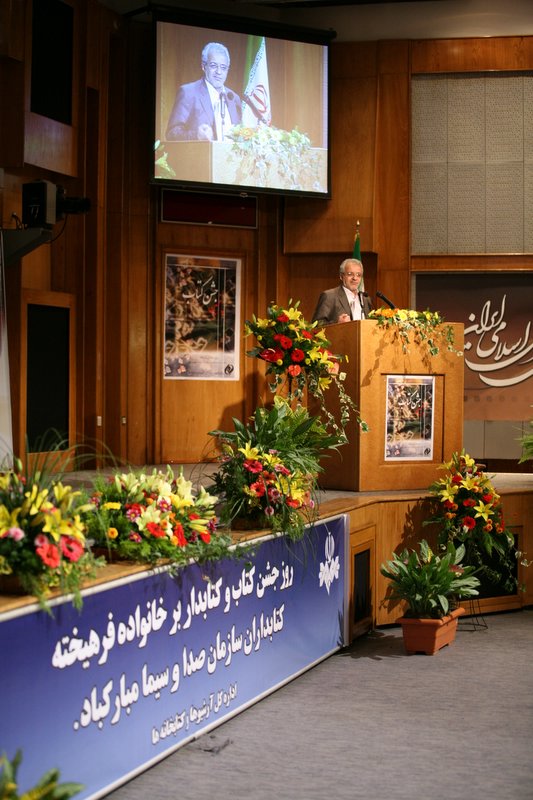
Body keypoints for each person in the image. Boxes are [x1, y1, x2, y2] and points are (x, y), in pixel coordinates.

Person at [166, 42, 242, 141]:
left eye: (223, 67)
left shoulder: (233, 98)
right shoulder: (189, 92)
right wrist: (196, 135)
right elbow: (171, 133)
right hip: (200, 151)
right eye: (213, 66)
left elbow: (239, 136)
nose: (219, 72)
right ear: (204, 66)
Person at [311, 258, 373, 325]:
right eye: (350, 274)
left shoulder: (365, 299)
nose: (355, 278)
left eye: (358, 275)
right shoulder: (330, 296)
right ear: (341, 276)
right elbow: (316, 324)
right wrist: (337, 323)